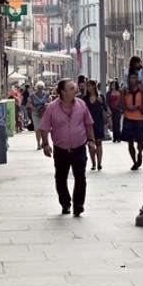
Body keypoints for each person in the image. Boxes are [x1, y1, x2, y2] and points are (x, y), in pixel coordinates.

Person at [39, 78, 96, 217]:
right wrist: (45, 144)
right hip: (61, 149)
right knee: (60, 178)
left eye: (75, 87)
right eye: (71, 88)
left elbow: (88, 123)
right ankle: (65, 203)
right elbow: (44, 127)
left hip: (79, 147)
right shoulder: (52, 108)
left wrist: (91, 140)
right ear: (63, 92)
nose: (75, 90)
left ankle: (78, 205)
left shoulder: (81, 104)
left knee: (80, 177)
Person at [121, 72, 143, 171]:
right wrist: (127, 107)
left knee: (140, 141)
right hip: (128, 118)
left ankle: (140, 154)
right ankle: (134, 161)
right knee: (130, 142)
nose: (132, 80)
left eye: (134, 77)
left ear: (137, 79)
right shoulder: (125, 90)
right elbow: (120, 104)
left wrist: (139, 107)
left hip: (139, 119)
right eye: (131, 78)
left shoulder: (142, 91)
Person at [82, 80, 106, 171]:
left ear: (93, 86)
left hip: (99, 122)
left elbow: (105, 108)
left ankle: (99, 163)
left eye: (89, 85)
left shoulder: (100, 97)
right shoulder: (84, 98)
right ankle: (93, 163)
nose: (87, 88)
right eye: (87, 86)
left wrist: (101, 102)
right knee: (90, 144)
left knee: (99, 142)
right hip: (88, 124)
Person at [29, 80, 49, 150]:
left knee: (44, 128)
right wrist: (34, 108)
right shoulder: (32, 95)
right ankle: (38, 143)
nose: (40, 89)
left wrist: (46, 105)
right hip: (35, 113)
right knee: (37, 129)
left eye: (41, 88)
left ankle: (44, 142)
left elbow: (49, 102)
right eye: (39, 88)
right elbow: (29, 104)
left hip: (44, 113)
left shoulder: (46, 94)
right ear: (36, 88)